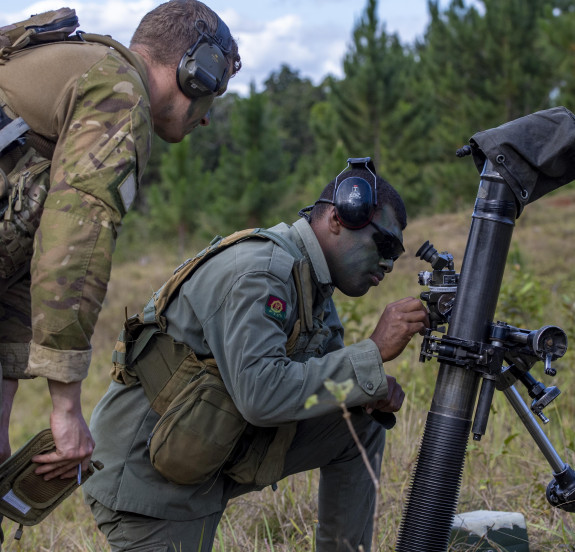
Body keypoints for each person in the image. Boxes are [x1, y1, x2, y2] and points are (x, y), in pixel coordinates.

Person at [83, 157, 430, 552]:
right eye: (382, 244)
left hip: (211, 451)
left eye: (395, 253)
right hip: (149, 477)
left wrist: (366, 390)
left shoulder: (313, 286)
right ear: (338, 217)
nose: (386, 263)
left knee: (355, 424)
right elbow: (261, 396)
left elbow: (320, 387)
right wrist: (370, 354)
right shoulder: (263, 271)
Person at [0, 0, 241, 480]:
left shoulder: (86, 71)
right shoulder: (118, 92)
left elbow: (19, 263)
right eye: (216, 94)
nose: (207, 117)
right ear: (199, 72)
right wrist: (66, 407)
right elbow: (75, 246)